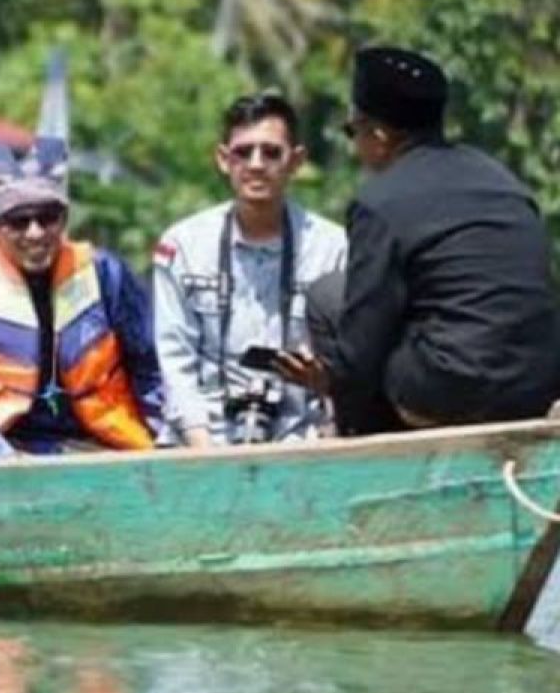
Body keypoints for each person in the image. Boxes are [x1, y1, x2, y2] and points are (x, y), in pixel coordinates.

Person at [278, 46, 560, 434]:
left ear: (378, 135)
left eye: (352, 131)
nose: (355, 146)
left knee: (328, 295)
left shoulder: (379, 202)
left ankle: (370, 456)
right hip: (535, 388)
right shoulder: (504, 182)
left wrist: (330, 376)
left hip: (451, 392)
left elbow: (361, 346)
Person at [0, 138, 164, 457]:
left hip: (102, 445)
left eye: (47, 218)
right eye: (19, 221)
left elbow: (148, 367)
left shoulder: (105, 272)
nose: (35, 233)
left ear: (63, 221)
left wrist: (165, 439)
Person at [152, 94, 347, 446]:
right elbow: (175, 361)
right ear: (223, 160)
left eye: (271, 152)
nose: (256, 165)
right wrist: (204, 450)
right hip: (201, 439)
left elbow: (347, 368)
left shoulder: (334, 247)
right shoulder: (181, 245)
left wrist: (324, 387)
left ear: (296, 161)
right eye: (243, 152)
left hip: (300, 438)